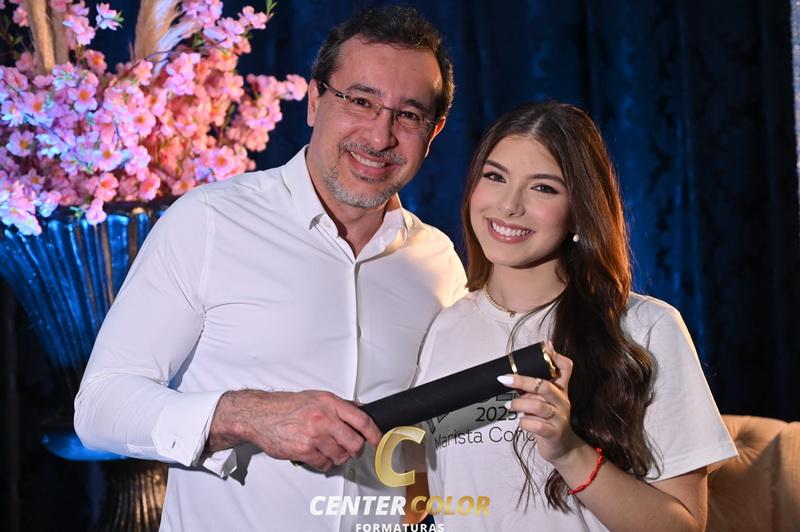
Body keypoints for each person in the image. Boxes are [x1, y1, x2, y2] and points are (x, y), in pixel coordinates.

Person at [74, 6, 466, 531]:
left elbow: (443, 445)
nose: (380, 137)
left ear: (433, 132)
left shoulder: (438, 263)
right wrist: (246, 414)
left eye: (409, 115)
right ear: (314, 100)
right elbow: (99, 407)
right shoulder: (209, 221)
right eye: (360, 101)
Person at [408, 101, 737, 531]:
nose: (508, 205)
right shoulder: (446, 327)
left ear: (580, 208)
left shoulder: (644, 329)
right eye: (495, 177)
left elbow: (683, 526)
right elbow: (427, 501)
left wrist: (568, 450)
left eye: (543, 188)